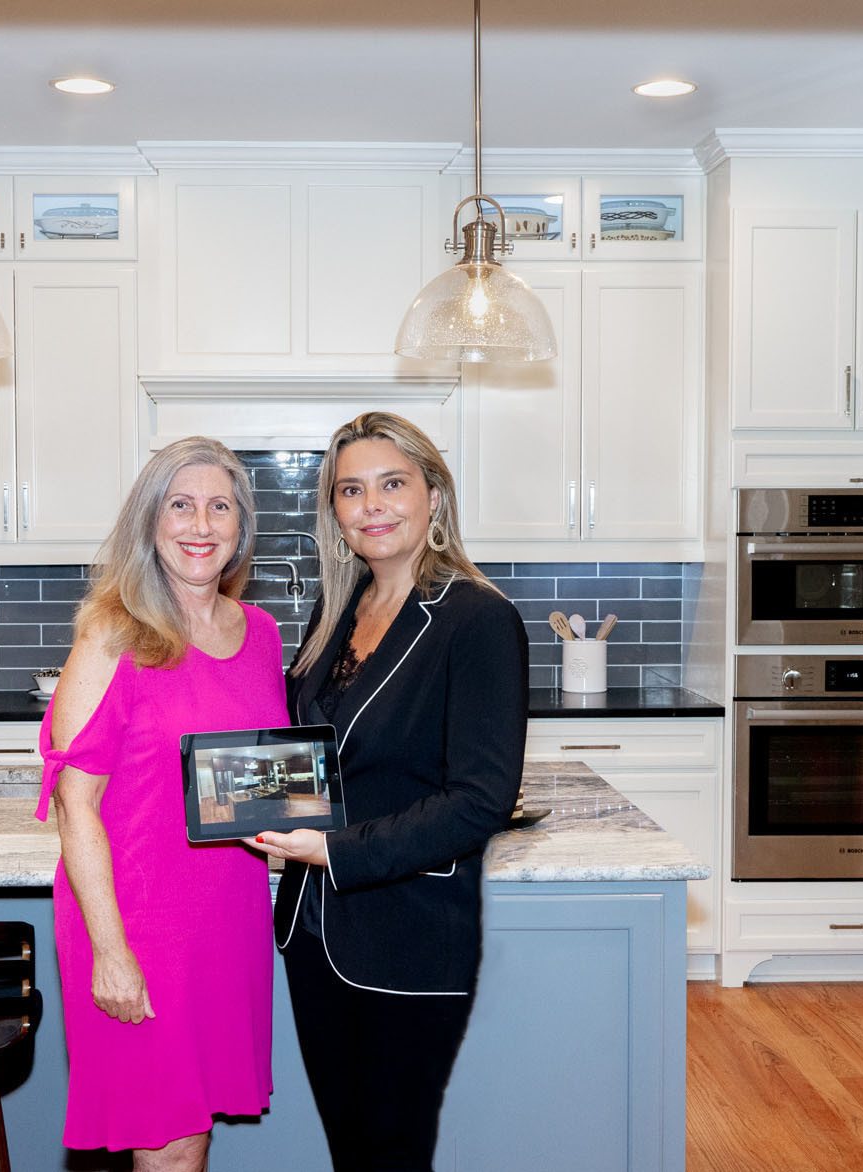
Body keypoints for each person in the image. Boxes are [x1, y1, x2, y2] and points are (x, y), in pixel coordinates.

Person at [250, 412, 529, 1171]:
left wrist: (333, 851)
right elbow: (316, 758)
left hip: (409, 932)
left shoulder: (478, 619)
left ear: (433, 496)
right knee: (352, 1150)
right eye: (351, 490)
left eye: (393, 483)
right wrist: (259, 816)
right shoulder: (336, 613)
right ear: (334, 511)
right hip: (311, 931)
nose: (371, 504)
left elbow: (479, 801)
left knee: (392, 1153)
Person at [37, 437, 281, 1170]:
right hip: (138, 921)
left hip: (226, 915)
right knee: (167, 1145)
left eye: (218, 506)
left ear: (241, 525)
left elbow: (251, 776)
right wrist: (111, 952)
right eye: (180, 505)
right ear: (150, 522)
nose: (200, 524)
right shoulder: (114, 636)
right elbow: (74, 805)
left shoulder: (260, 633)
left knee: (191, 1131)